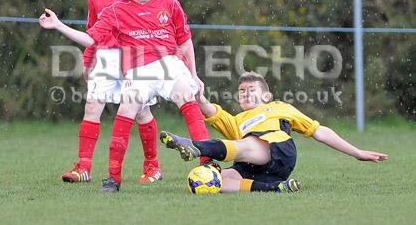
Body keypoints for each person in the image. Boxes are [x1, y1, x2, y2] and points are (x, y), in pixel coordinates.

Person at [38, 0, 211, 193]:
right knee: (127, 108)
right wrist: (58, 25)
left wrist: (194, 75)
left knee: (186, 95)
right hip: (138, 69)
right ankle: (113, 179)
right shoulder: (116, 10)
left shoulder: (169, 3)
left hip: (170, 62)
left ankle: (208, 165)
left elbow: (185, 41)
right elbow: (90, 39)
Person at [160, 71, 388, 193]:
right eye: (241, 92)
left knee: (247, 145)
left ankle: (195, 147)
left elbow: (320, 132)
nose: (245, 94)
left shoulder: (280, 107)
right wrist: (198, 95)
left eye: (251, 90)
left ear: (266, 96)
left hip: (279, 152)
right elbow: (210, 110)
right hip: (255, 168)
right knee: (219, 181)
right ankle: (275, 189)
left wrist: (357, 152)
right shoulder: (237, 121)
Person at [61, 0, 162, 184]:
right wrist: (87, 59)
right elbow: (91, 27)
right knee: (92, 106)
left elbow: (156, 15)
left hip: (136, 56)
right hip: (105, 57)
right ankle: (83, 167)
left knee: (141, 111)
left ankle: (152, 167)